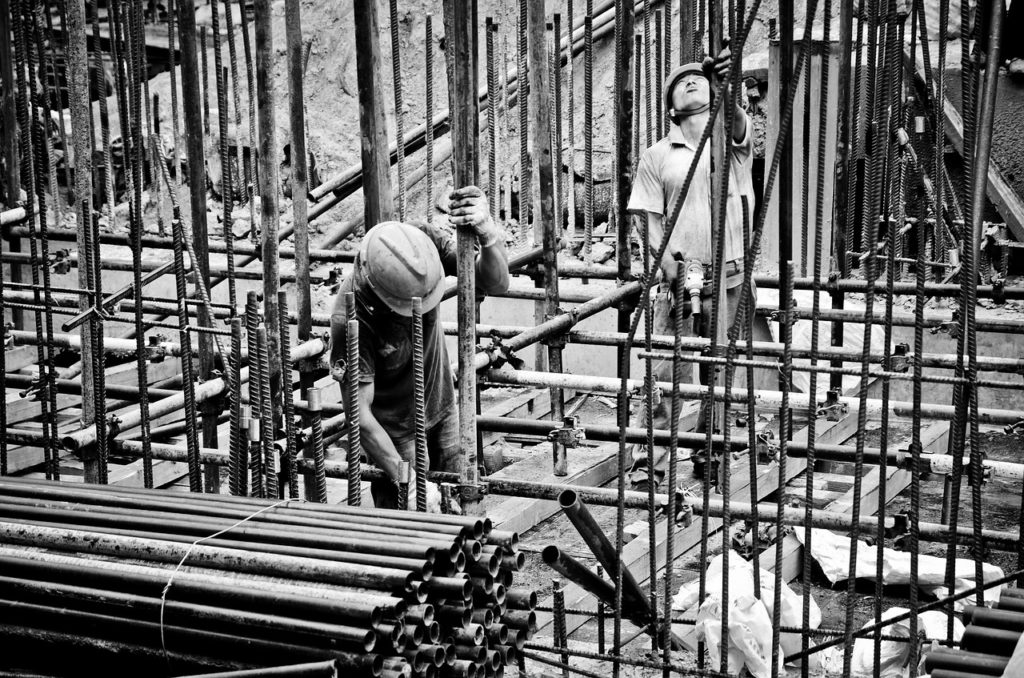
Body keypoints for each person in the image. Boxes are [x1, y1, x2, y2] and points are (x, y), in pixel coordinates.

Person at [626, 52, 772, 491]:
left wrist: (725, 88)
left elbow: (741, 128)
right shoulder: (657, 155)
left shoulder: (731, 141)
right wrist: (666, 260)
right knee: (665, 378)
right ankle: (648, 469)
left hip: (729, 277)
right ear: (670, 105)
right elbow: (646, 216)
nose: (691, 82)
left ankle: (711, 460)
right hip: (678, 282)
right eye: (681, 81)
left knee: (720, 378)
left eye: (698, 79)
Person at [329, 186, 509, 509]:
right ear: (388, 303)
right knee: (414, 534)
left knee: (464, 508)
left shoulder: (420, 244)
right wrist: (406, 479)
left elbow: (496, 282)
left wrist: (489, 236)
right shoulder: (352, 315)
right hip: (396, 435)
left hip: (442, 405)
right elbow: (360, 417)